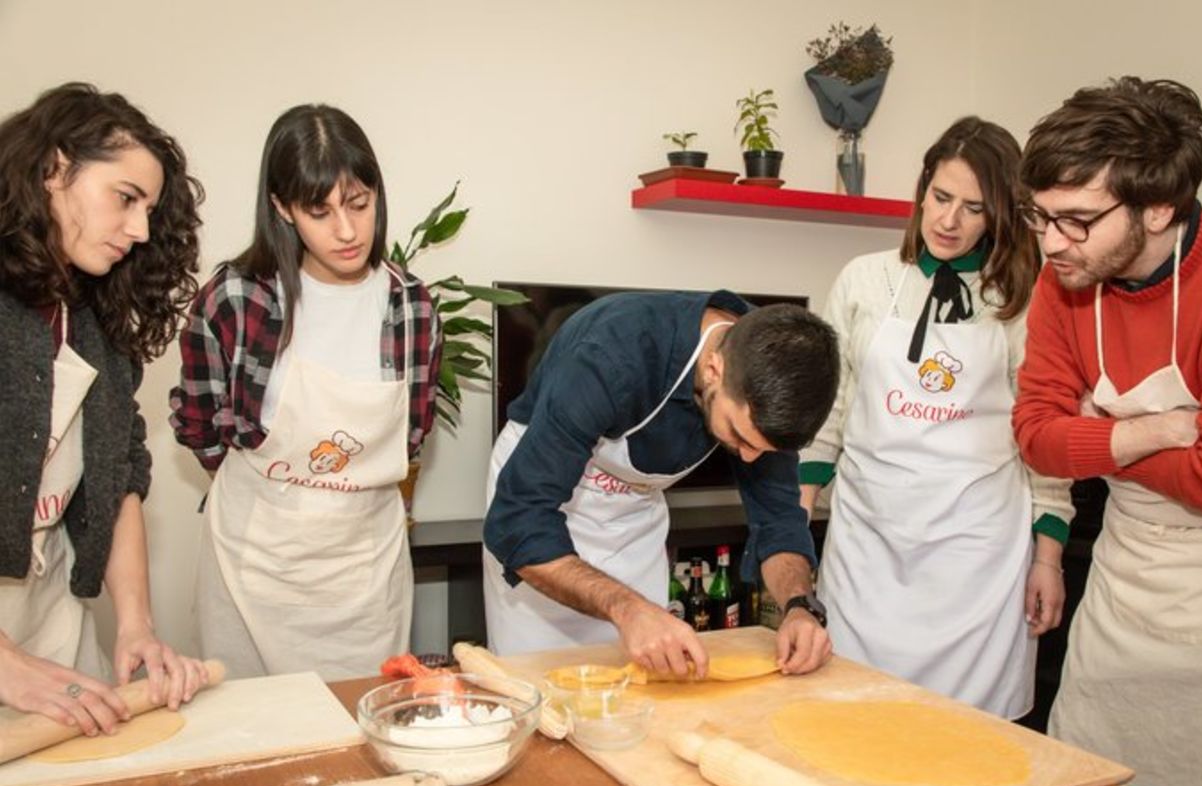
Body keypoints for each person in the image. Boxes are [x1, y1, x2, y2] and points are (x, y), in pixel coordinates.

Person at [1013, 77, 1202, 786]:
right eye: (1042, 216)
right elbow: (1034, 436)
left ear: (1159, 207)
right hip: (1120, 604)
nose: (1052, 241)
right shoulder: (1066, 285)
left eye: (1077, 220)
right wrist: (1155, 431)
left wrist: (1095, 433)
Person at [798, 117, 1076, 719]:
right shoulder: (865, 280)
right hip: (868, 541)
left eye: (973, 208)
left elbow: (1044, 438)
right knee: (848, 715)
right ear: (922, 189)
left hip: (975, 552)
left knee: (969, 735)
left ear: (1001, 213)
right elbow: (831, 407)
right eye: (941, 197)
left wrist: (1047, 556)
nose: (949, 221)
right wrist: (796, 515)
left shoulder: (1029, 297)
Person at [170, 104, 443, 681]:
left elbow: (411, 436)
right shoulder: (236, 301)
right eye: (319, 211)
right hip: (252, 567)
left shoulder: (411, 308)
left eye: (359, 204)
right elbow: (198, 422)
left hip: (364, 574)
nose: (346, 231)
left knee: (358, 731)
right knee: (250, 738)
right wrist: (278, 493)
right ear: (282, 208)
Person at [482, 294, 838, 678]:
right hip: (540, 504)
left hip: (631, 522)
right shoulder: (612, 354)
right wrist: (628, 608)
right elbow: (519, 520)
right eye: (738, 435)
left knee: (642, 689)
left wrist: (799, 606)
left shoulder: (773, 372)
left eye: (762, 448)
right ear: (714, 369)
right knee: (536, 684)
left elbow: (779, 520)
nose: (749, 459)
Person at [0, 82, 209, 735]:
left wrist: (137, 625)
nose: (141, 229)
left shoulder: (89, 316)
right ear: (55, 168)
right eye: (125, 198)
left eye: (149, 209)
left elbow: (120, 476)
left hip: (49, 610)